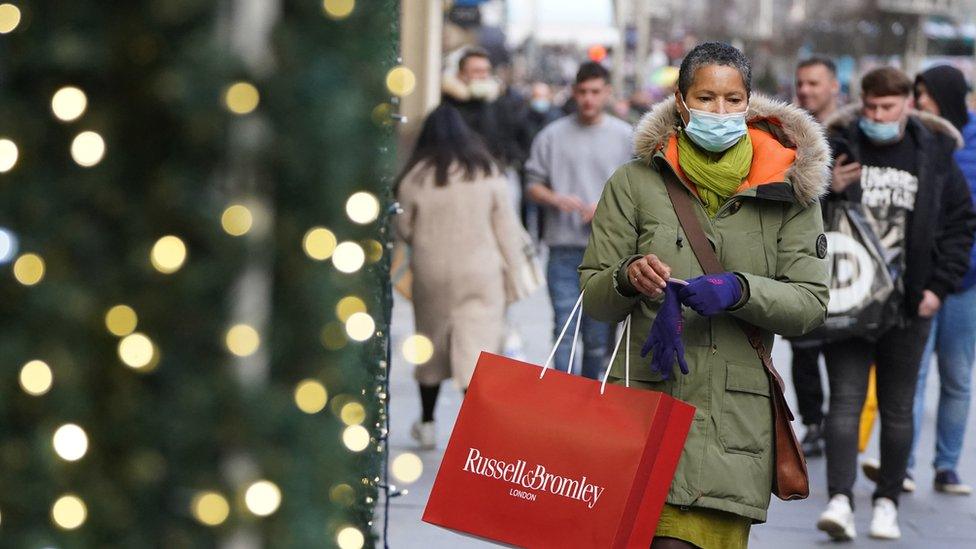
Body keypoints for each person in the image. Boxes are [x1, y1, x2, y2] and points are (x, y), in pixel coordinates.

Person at [580, 42, 830, 548]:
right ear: (680, 100)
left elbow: (809, 305)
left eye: (733, 99)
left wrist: (741, 290)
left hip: (733, 425)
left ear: (749, 101)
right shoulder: (634, 183)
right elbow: (595, 299)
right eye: (707, 97)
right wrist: (629, 277)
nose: (720, 111)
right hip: (648, 409)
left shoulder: (790, 191)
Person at [816, 67, 975, 541]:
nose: (878, 117)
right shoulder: (839, 144)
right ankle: (840, 500)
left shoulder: (935, 153)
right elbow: (802, 217)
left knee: (898, 406)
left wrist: (936, 290)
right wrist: (830, 189)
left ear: (907, 104)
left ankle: (887, 501)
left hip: (909, 304)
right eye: (870, 108)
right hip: (849, 297)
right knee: (843, 402)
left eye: (887, 108)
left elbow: (960, 224)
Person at [395, 105, 528, 449]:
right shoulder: (486, 172)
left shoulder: (415, 177)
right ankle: (476, 432)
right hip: (481, 273)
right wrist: (517, 275)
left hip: (432, 273)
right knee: (478, 348)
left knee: (431, 346)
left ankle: (426, 424)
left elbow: (404, 227)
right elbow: (507, 229)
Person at [525, 61, 632, 379]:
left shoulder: (625, 136)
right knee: (564, 329)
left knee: (598, 338)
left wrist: (607, 205)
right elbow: (531, 184)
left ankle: (586, 401)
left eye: (595, 92)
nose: (588, 99)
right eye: (583, 92)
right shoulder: (551, 136)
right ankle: (563, 397)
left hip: (606, 252)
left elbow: (639, 192)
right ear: (573, 92)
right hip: (562, 248)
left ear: (607, 93)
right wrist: (556, 198)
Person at [905, 64, 976, 495]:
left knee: (957, 376)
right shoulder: (915, 136)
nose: (919, 102)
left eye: (925, 93)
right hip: (920, 279)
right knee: (910, 375)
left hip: (966, 281)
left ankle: (947, 465)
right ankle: (905, 464)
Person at [789, 56, 842, 457]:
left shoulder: (852, 133)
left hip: (846, 258)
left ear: (834, 86)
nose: (806, 90)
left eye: (814, 83)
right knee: (803, 347)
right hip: (800, 255)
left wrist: (837, 186)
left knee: (842, 345)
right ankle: (812, 422)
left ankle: (840, 421)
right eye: (801, 84)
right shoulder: (788, 134)